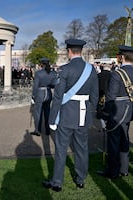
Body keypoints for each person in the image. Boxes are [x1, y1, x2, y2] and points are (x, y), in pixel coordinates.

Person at [42, 39, 99, 191]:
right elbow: (95, 96)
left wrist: (52, 119)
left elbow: (58, 97)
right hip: (83, 114)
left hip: (67, 115)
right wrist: (90, 113)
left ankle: (57, 182)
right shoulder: (91, 69)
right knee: (82, 148)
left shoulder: (64, 69)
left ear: (69, 51)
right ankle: (80, 179)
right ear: (80, 51)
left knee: (61, 149)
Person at [96, 45, 133, 179]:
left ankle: (113, 171)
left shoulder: (117, 74)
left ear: (122, 57)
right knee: (124, 139)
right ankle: (124, 169)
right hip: (130, 110)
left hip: (118, 110)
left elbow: (110, 98)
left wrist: (105, 114)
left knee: (113, 141)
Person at [31, 58, 57, 136]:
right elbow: (54, 85)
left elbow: (35, 86)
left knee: (38, 113)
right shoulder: (53, 73)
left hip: (40, 93)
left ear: (42, 64)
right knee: (47, 112)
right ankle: (47, 130)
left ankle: (37, 130)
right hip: (48, 92)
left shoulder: (38, 73)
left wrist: (33, 96)